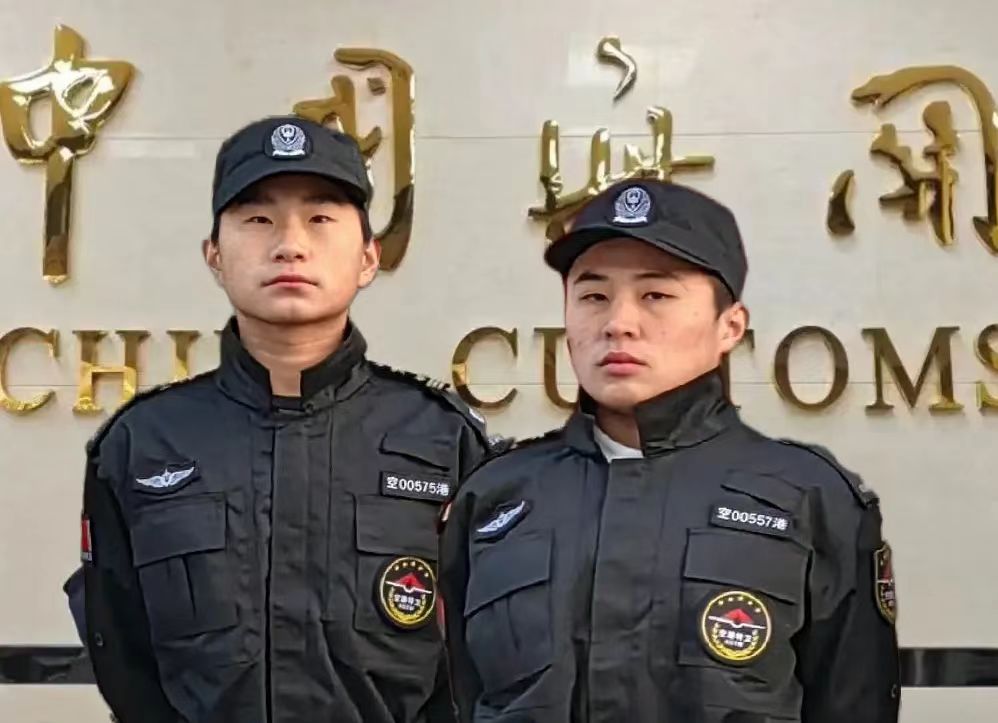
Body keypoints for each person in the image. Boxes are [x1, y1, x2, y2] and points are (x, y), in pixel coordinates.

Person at [76, 116, 493, 723]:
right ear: (214, 256)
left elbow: (481, 659)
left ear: (368, 257)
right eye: (258, 219)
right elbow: (122, 653)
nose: (290, 245)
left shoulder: (444, 439)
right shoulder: (143, 443)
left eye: (320, 218)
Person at [439, 179, 900, 722]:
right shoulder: (494, 499)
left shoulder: (810, 499)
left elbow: (854, 701)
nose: (618, 324)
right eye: (593, 296)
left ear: (730, 326)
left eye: (655, 295)